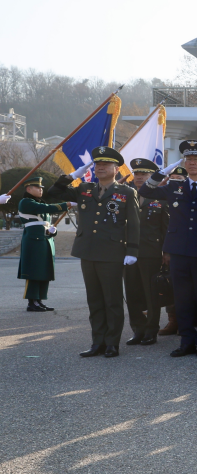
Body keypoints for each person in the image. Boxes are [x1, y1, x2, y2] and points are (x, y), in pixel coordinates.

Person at [139, 140, 197, 358]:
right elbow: (145, 190)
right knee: (182, 299)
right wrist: (165, 170)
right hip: (178, 250)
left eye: (196, 160)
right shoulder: (173, 186)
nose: (192, 164)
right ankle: (186, 341)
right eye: (188, 160)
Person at [47, 147, 140, 357]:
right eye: (97, 164)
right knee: (95, 299)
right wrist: (72, 176)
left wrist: (132, 250)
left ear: (116, 169)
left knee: (112, 300)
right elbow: (52, 195)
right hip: (88, 251)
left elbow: (134, 224)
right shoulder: (84, 189)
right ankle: (97, 342)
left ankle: (112, 343)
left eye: (106, 164)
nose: (100, 167)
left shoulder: (126, 192)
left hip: (112, 252)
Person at [0, 176, 69, 312]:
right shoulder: (25, 202)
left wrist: (52, 232)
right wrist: (67, 204)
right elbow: (47, 208)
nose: (40, 190)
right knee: (34, 271)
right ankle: (32, 302)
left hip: (45, 240)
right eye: (37, 188)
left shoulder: (39, 203)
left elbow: (46, 221)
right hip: (34, 241)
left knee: (44, 271)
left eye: (41, 188)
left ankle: (39, 300)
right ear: (29, 189)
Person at [126, 158, 168, 345]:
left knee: (152, 294)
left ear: (153, 177)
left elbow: (166, 228)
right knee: (132, 293)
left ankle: (151, 329)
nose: (140, 177)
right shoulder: (125, 195)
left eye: (144, 174)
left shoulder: (161, 197)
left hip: (151, 252)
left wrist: (166, 252)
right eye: (137, 173)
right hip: (127, 252)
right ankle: (138, 329)